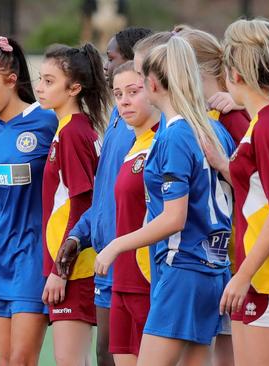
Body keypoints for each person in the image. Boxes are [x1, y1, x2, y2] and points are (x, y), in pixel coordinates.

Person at [95, 36, 235, 366]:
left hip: (182, 268)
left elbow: (175, 218)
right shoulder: (212, 128)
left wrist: (117, 245)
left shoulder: (175, 134)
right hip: (213, 268)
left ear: (154, 83)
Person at [204, 18, 269, 366]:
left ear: (234, 74)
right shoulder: (258, 123)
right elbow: (257, 191)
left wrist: (244, 274)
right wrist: (224, 164)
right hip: (254, 271)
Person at [55, 27, 152, 366]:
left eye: (111, 58)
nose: (105, 66)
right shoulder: (116, 117)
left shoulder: (160, 129)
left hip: (137, 261)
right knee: (105, 354)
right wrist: (79, 235)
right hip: (106, 260)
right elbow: (104, 194)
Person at [0, 36, 57, 366]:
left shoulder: (47, 120)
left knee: (22, 360)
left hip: (32, 256)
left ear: (11, 80)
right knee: (2, 361)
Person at [177, 26, 251, 366]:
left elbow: (256, 186)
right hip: (207, 256)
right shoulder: (195, 116)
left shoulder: (233, 117)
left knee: (230, 353)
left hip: (233, 254)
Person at [36, 42, 109, 366]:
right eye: (40, 79)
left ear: (74, 87)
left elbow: (83, 205)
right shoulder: (68, 129)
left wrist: (60, 269)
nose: (40, 87)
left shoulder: (74, 133)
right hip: (69, 266)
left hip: (76, 269)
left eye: (50, 81)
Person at [108, 61, 160, 366]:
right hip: (122, 278)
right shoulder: (133, 144)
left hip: (149, 279)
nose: (124, 100)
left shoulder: (164, 139)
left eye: (133, 91)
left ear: (153, 88)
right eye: (117, 94)